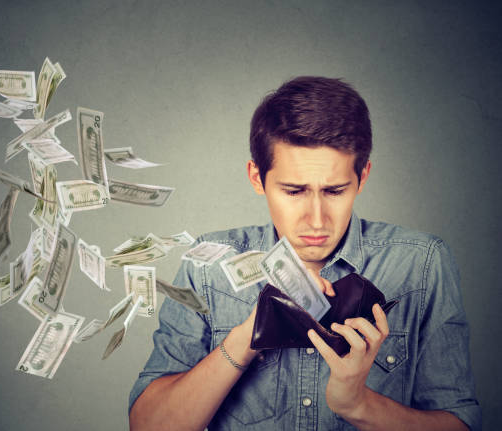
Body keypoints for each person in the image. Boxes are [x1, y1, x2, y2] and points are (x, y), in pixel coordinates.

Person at [128, 77, 481, 430]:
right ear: (256, 177)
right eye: (294, 191)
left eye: (335, 191)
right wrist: (247, 336)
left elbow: (460, 422)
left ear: (363, 177)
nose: (316, 220)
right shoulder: (208, 269)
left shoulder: (421, 264)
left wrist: (359, 404)